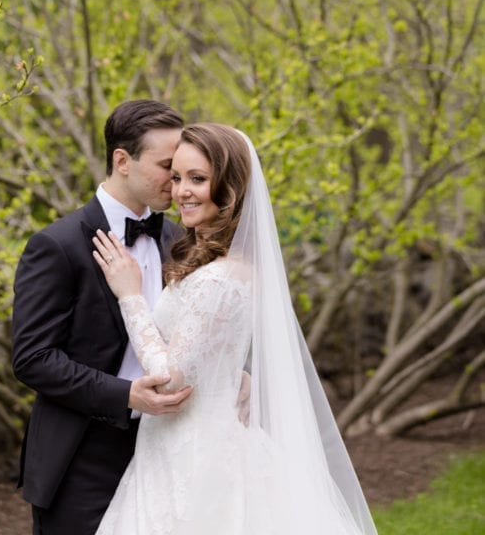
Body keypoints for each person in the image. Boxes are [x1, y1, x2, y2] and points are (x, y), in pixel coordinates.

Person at [92, 123, 379, 535]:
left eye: (198, 179)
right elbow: (208, 349)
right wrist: (230, 374)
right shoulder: (216, 263)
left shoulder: (219, 279)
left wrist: (130, 296)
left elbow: (171, 380)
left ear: (229, 188)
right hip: (177, 446)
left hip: (197, 460)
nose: (181, 191)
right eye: (176, 177)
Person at [11, 99, 192, 535]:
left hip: (169, 448)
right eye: (167, 165)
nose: (177, 180)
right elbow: (32, 358)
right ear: (122, 160)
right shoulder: (56, 246)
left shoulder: (178, 239)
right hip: (81, 457)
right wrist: (125, 395)